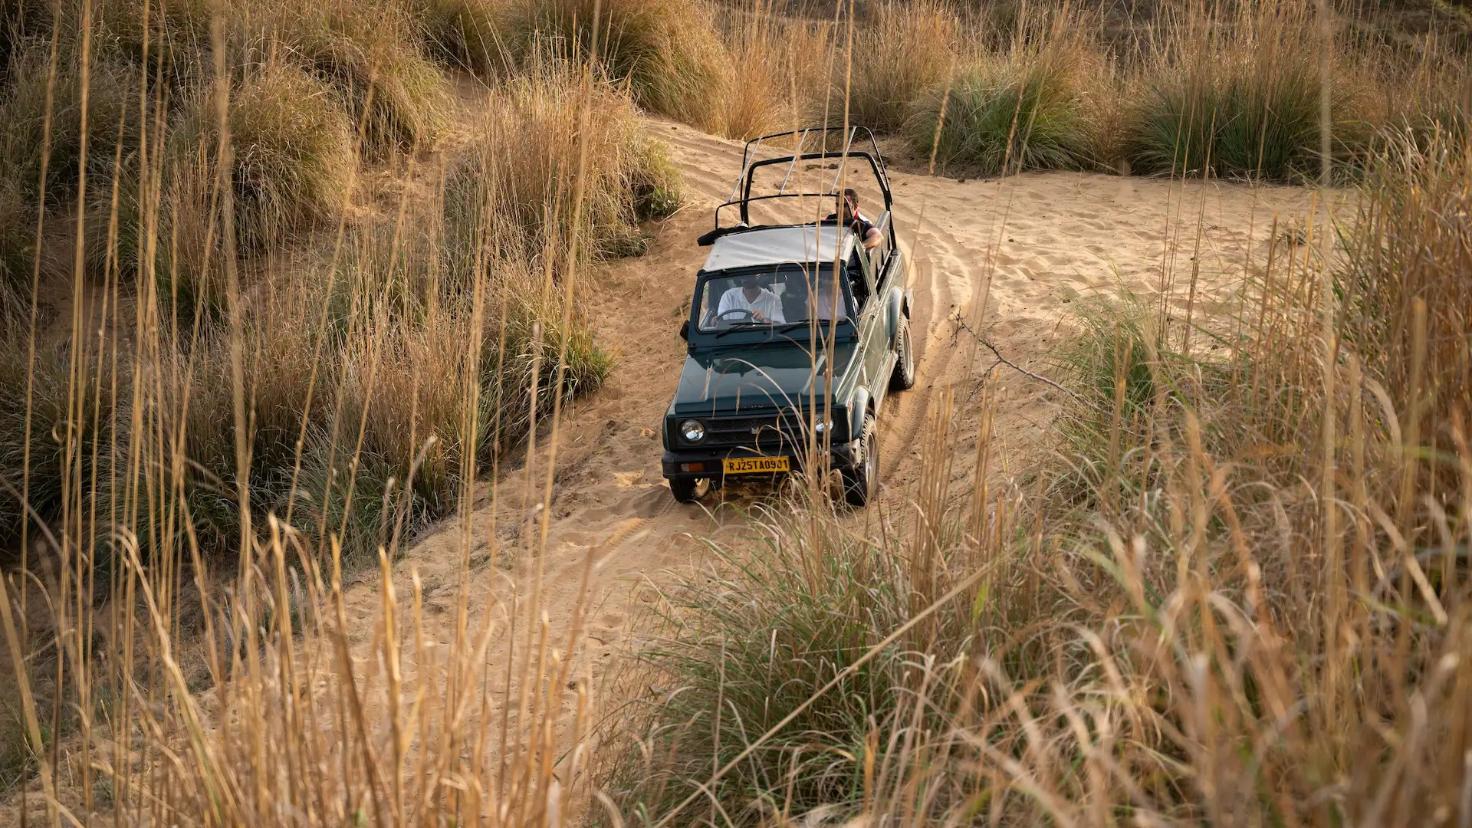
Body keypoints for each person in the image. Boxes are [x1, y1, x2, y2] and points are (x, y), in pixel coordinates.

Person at [714, 274, 785, 324]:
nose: (745, 278)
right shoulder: (728, 296)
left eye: (749, 275)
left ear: (759, 277)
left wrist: (764, 319)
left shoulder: (773, 299)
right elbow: (720, 323)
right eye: (743, 275)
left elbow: (780, 326)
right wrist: (714, 321)